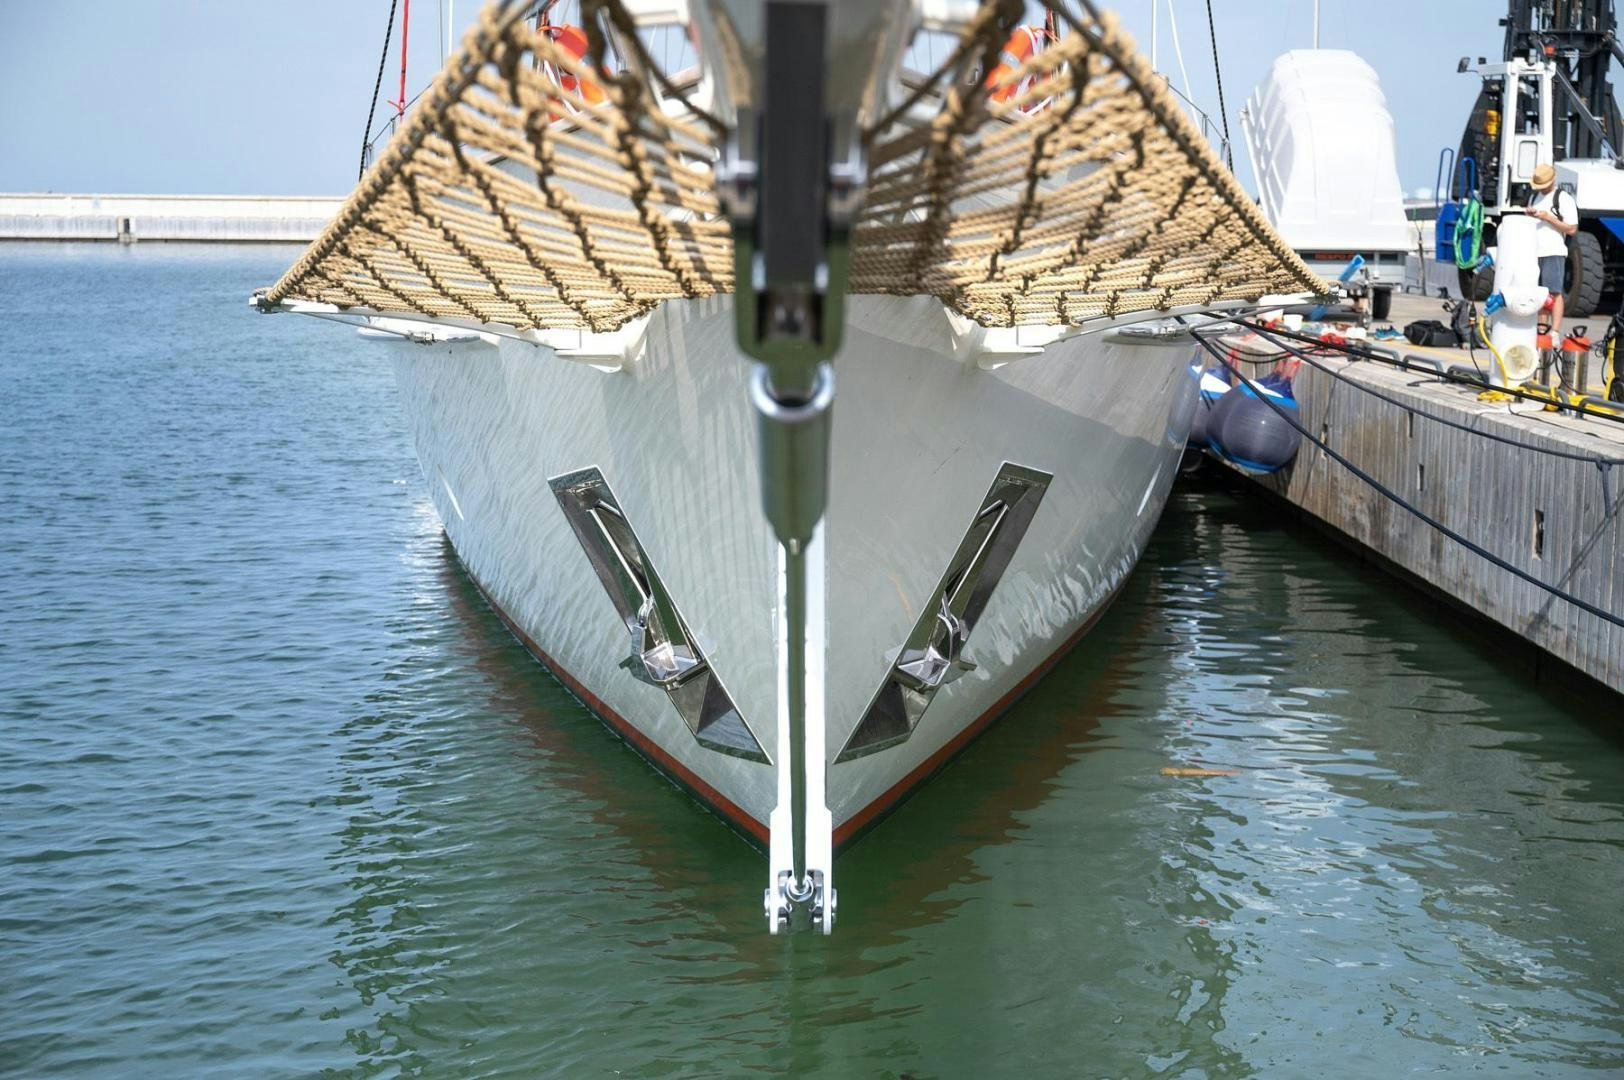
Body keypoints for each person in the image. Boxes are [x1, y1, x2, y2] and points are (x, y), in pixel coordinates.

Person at [1527, 163, 1579, 336]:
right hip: (1534, 251)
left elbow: (1571, 228)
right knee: (1540, 293)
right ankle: (1542, 328)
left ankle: (1554, 331)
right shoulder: (1535, 197)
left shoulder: (1563, 198)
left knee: (1554, 293)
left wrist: (1548, 218)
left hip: (1553, 251)